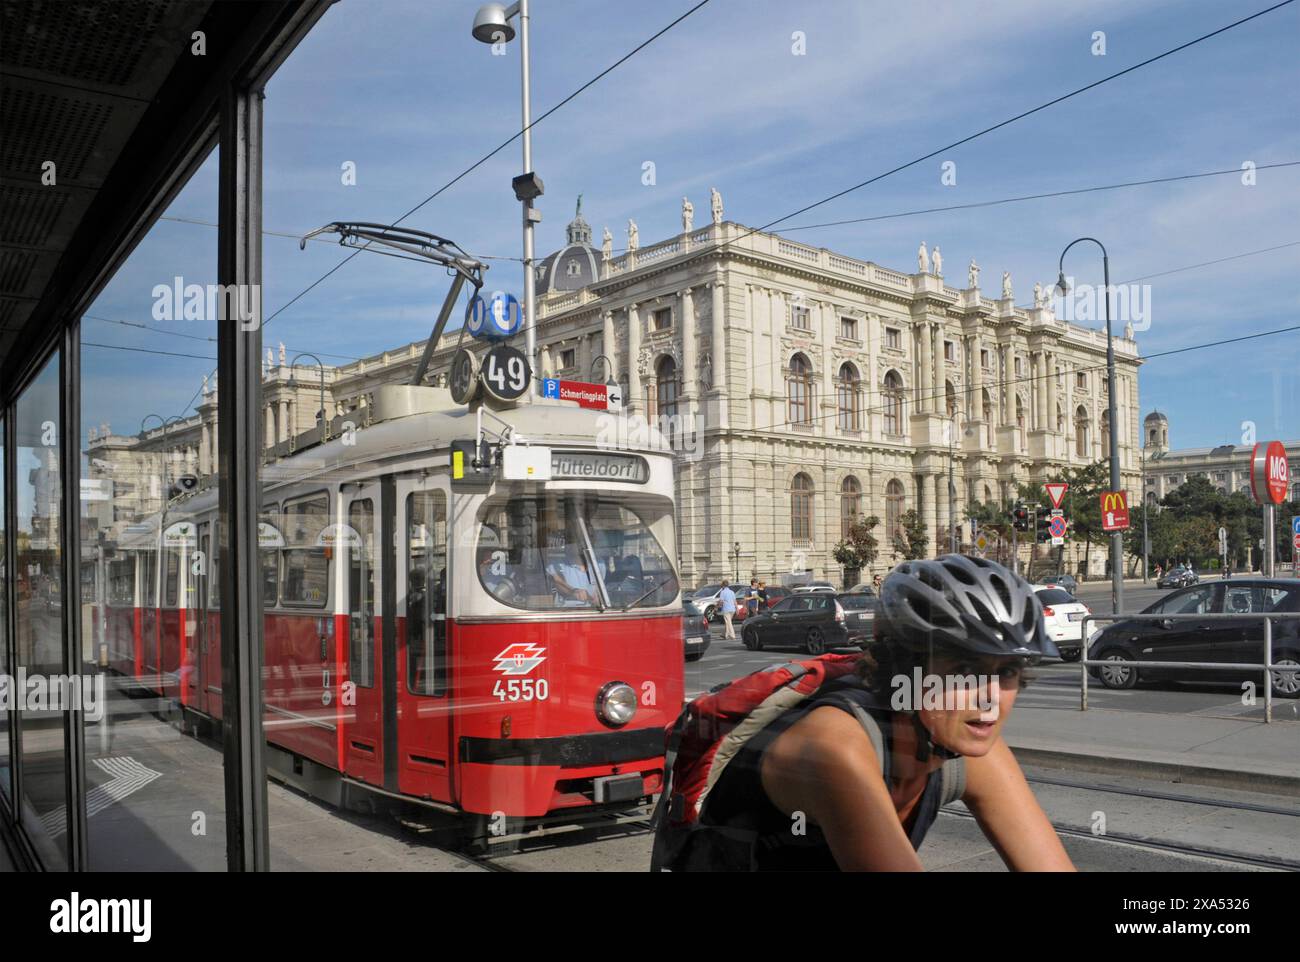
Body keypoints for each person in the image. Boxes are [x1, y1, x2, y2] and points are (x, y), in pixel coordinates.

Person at [697, 554, 1075, 871]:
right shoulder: (833, 748)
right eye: (963, 672)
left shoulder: (962, 741)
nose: (989, 699)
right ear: (905, 668)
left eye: (1007, 672)